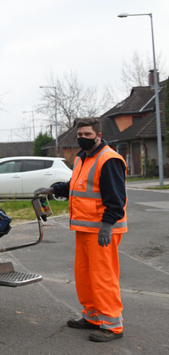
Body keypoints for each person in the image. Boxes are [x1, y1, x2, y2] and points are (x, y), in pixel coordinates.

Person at [35, 118, 127, 342]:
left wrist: (107, 224)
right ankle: (93, 316)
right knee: (85, 276)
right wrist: (54, 189)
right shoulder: (82, 158)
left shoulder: (109, 159)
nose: (83, 138)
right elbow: (76, 186)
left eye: (87, 134)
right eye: (80, 135)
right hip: (85, 228)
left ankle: (112, 324)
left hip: (102, 230)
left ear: (98, 134)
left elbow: (116, 198)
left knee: (103, 277)